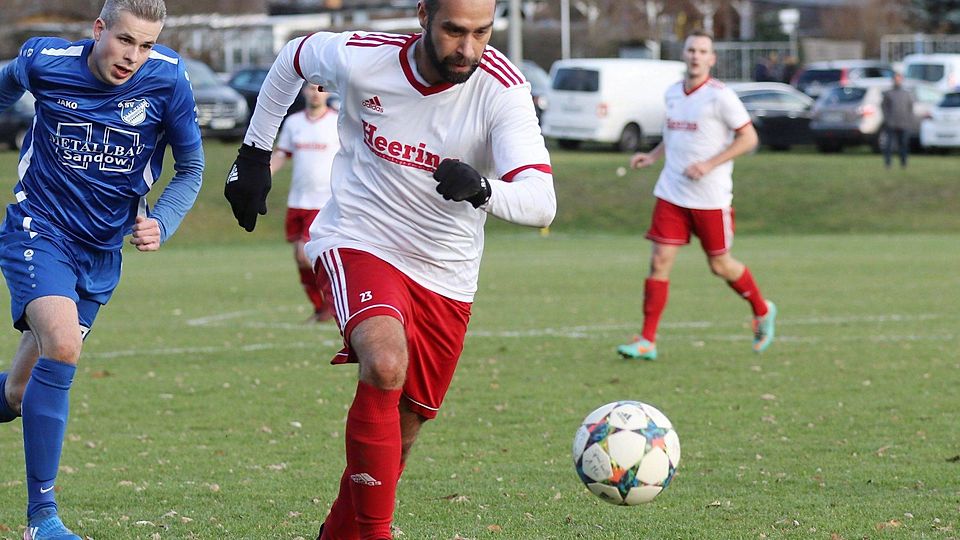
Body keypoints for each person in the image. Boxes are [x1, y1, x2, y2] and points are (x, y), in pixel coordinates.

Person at [223, 0, 555, 538]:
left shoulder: (502, 88)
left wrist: (485, 189)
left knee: (401, 433)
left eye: (482, 33)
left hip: (445, 273)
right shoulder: (363, 58)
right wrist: (255, 153)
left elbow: (543, 201)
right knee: (384, 362)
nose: (467, 49)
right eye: (453, 31)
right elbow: (292, 57)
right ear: (423, 14)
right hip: (359, 238)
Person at [0, 1, 204, 538]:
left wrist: (162, 221)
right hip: (38, 229)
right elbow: (5, 83)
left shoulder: (169, 81)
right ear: (98, 30)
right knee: (64, 347)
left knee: (19, 396)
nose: (134, 56)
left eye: (146, 45)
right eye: (125, 41)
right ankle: (42, 519)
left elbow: (192, 169)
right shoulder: (45, 60)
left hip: (101, 252)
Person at [617, 30, 776, 361]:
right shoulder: (673, 92)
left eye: (703, 51)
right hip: (672, 193)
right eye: (691, 50)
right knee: (659, 260)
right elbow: (673, 135)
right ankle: (647, 340)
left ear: (711, 59)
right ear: (684, 54)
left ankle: (762, 310)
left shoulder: (721, 97)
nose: (696, 56)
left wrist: (710, 164)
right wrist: (653, 156)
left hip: (710, 198)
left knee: (720, 266)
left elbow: (749, 139)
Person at [270, 83, 340, 322]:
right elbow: (281, 154)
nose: (315, 93)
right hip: (298, 200)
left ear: (328, 91)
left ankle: (332, 304)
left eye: (320, 88)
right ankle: (321, 307)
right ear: (303, 92)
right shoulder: (294, 123)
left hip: (325, 203)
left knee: (305, 255)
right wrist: (261, 175)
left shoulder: (338, 123)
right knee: (300, 259)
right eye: (310, 88)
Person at [881, 72, 915, 169]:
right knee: (889, 144)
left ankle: (903, 163)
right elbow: (884, 107)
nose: (897, 80)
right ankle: (888, 164)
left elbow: (910, 108)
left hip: (904, 123)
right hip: (891, 123)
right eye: (896, 78)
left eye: (899, 78)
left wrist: (909, 120)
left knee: (903, 144)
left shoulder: (906, 94)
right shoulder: (888, 93)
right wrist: (887, 119)